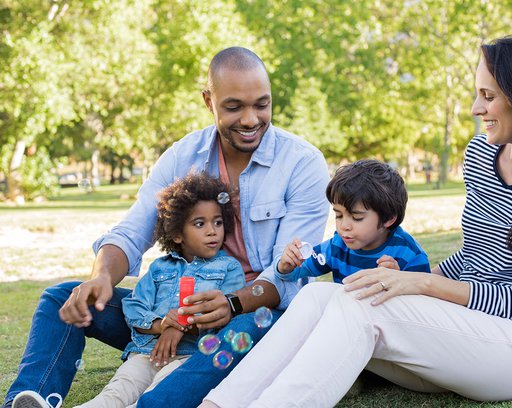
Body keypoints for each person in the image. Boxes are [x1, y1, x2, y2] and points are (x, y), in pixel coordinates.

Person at [2, 47, 330, 408]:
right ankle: (29, 400)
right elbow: (131, 231)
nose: (251, 119)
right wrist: (101, 278)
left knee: (242, 328)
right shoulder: (182, 157)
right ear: (209, 100)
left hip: (258, 316)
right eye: (234, 106)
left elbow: (288, 273)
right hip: (176, 316)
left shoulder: (302, 163)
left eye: (262, 105)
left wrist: (233, 304)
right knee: (63, 295)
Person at [199, 36, 512, 408]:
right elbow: (478, 256)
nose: (477, 108)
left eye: (488, 96)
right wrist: (409, 282)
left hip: (502, 349)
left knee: (361, 301)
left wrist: (423, 284)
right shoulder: (481, 156)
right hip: (457, 335)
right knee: (318, 296)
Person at [71, 172, 246, 408]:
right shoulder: (160, 268)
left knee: (157, 394)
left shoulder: (229, 268)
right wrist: (162, 324)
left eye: (217, 222)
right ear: (176, 233)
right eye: (199, 224)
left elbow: (223, 316)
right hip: (147, 352)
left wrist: (180, 326)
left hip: (190, 356)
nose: (212, 231)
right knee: (114, 394)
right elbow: (134, 306)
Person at [275, 159, 430, 286]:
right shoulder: (337, 246)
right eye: (339, 215)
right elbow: (297, 273)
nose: (344, 226)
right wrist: (286, 266)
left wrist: (399, 280)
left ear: (388, 218)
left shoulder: (409, 254)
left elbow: (421, 307)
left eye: (356, 217)